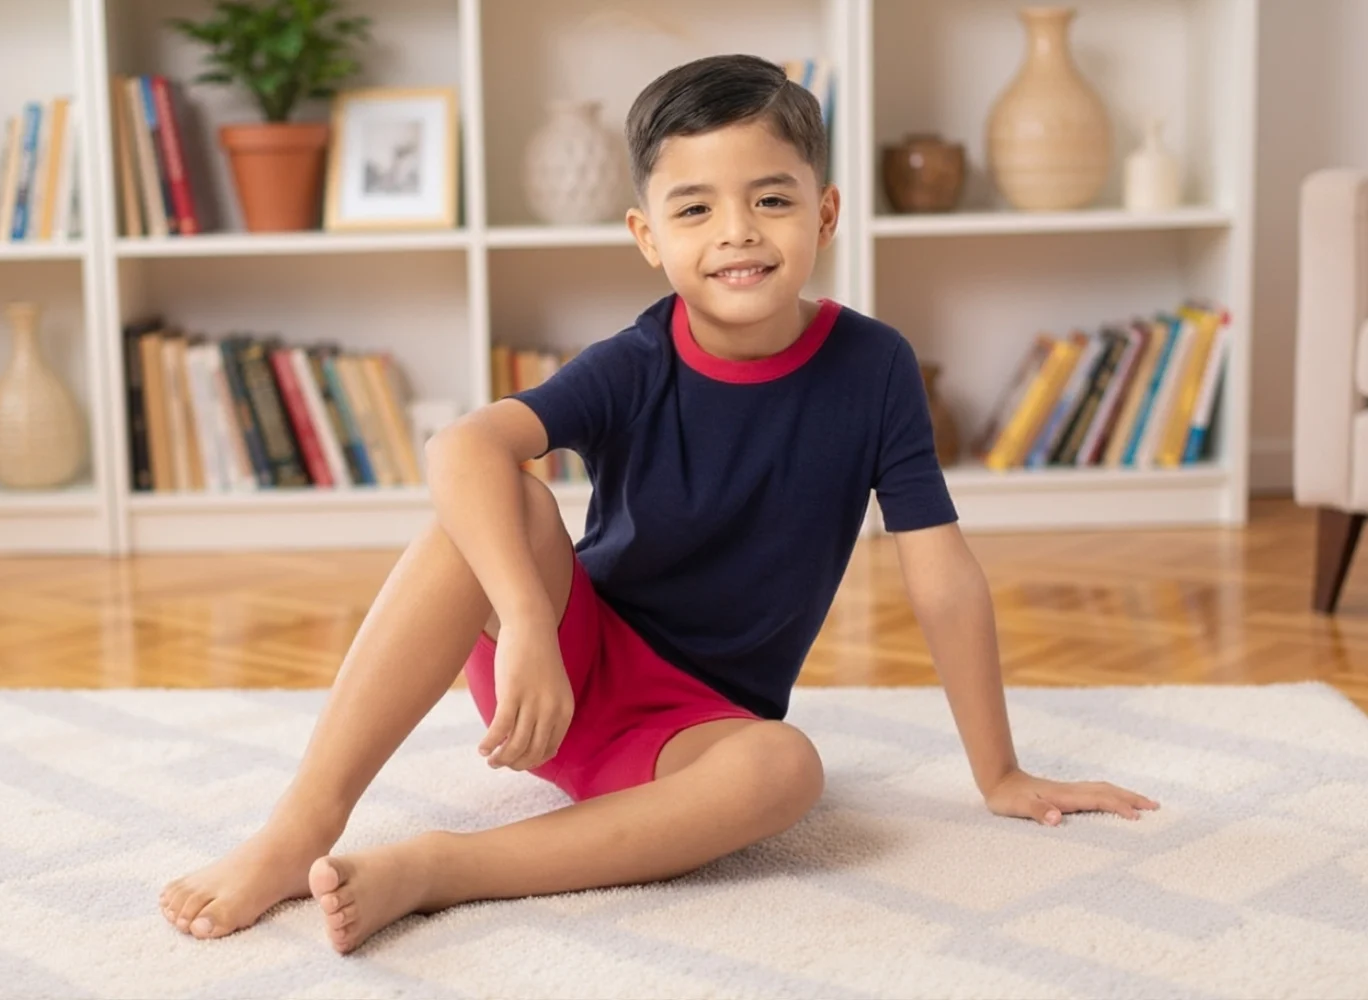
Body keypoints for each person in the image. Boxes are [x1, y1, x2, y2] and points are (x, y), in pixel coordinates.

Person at [159, 52, 1160, 954]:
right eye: (694, 209)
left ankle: (437, 869)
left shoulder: (875, 368)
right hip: (555, 663)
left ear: (823, 213)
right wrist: (525, 624)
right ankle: (300, 826)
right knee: (486, 496)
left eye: (769, 200)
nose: (736, 233)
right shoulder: (635, 362)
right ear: (645, 235)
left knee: (786, 772)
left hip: (693, 737)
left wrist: (999, 772)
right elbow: (460, 445)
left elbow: (938, 575)